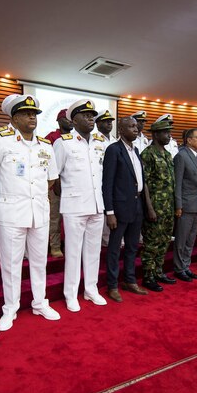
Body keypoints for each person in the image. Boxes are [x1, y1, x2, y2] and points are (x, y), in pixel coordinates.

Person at [0, 94, 60, 331]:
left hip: (39, 211)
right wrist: (7, 193)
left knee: (39, 261)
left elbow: (51, 178)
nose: (32, 117)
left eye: (35, 114)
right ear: (14, 118)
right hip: (11, 213)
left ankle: (40, 303)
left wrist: (32, 196)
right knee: (11, 263)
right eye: (26, 113)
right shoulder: (2, 140)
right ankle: (10, 308)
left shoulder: (45, 145)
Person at [53, 100, 108, 312]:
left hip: (96, 205)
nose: (91, 118)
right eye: (85, 115)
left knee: (93, 251)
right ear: (73, 120)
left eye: (92, 115)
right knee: (74, 253)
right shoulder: (63, 143)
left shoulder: (99, 143)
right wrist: (65, 193)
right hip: (74, 206)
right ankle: (71, 293)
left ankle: (91, 289)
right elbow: (54, 175)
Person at [102, 117, 150, 302]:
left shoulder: (136, 150)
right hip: (119, 208)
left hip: (136, 206)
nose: (136, 129)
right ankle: (112, 285)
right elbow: (107, 183)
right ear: (121, 130)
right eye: (131, 126)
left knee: (132, 247)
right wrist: (110, 212)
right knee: (114, 249)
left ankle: (130, 280)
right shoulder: (113, 150)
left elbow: (139, 180)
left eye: (136, 126)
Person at [141, 115, 177, 292]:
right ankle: (148, 276)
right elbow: (144, 183)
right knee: (151, 243)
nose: (169, 135)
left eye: (169, 132)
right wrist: (149, 208)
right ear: (155, 135)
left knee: (164, 241)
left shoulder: (168, 154)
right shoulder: (147, 154)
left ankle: (158, 271)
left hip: (168, 206)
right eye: (165, 132)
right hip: (155, 206)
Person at [173, 128, 197, 281]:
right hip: (185, 205)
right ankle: (179, 268)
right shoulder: (181, 155)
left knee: (190, 239)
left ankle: (185, 266)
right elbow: (178, 183)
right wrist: (178, 205)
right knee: (181, 239)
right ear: (189, 140)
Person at [45, 109, 72, 258]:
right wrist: (54, 184)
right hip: (55, 184)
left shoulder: (77, 138)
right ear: (59, 121)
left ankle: (69, 244)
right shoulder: (51, 137)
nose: (70, 121)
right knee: (54, 217)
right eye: (66, 119)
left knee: (71, 219)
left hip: (72, 185)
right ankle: (55, 246)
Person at [94, 109, 116, 247]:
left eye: (110, 121)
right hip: (99, 181)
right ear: (97, 124)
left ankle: (112, 238)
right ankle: (103, 239)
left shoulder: (116, 140)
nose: (109, 124)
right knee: (101, 211)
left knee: (113, 209)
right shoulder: (93, 140)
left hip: (115, 181)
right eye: (105, 121)